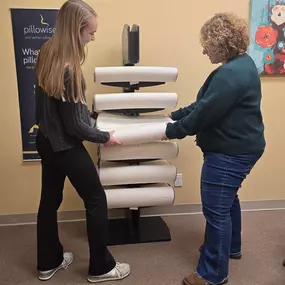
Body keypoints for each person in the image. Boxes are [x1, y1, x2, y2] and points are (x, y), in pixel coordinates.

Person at [163, 13, 266, 285]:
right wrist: (175, 115)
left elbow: (204, 115)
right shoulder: (243, 65)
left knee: (216, 210)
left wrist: (169, 131)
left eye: (207, 44)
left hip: (231, 151)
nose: (203, 49)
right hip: (243, 146)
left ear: (221, 43)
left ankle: (212, 274)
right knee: (227, 199)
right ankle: (231, 247)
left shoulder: (230, 74)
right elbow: (206, 104)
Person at [34, 0, 130, 282]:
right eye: (90, 32)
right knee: (96, 199)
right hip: (65, 146)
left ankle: (48, 262)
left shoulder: (46, 52)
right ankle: (101, 268)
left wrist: (88, 115)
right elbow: (75, 125)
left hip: (46, 141)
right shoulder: (69, 67)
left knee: (49, 200)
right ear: (76, 30)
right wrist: (104, 136)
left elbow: (61, 108)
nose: (93, 37)